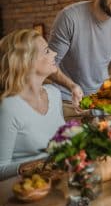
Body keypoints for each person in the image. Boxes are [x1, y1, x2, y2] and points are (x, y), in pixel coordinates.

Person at [0, 29, 65, 180]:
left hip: (59, 179)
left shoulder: (54, 94)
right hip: (25, 191)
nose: (54, 53)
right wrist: (42, 164)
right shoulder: (9, 107)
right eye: (47, 51)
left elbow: (61, 141)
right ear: (27, 62)